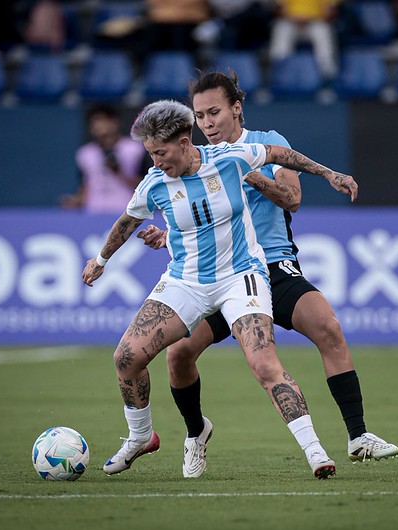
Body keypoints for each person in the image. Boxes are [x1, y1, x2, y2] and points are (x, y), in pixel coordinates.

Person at [136, 72, 398, 479]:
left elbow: (292, 200)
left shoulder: (264, 142)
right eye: (200, 115)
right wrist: (166, 237)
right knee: (178, 354)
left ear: (236, 108)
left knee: (328, 328)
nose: (206, 122)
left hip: (274, 266)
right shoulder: (189, 162)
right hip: (222, 276)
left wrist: (244, 171)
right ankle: (195, 434)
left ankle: (358, 437)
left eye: (214, 112)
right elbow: (198, 227)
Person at [82, 98, 359, 479]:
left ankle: (315, 452)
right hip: (185, 281)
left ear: (184, 141)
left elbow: (282, 153)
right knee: (126, 358)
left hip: (240, 276)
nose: (156, 161)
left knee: (264, 364)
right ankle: (141, 436)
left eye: (161, 152)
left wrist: (329, 174)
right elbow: (126, 222)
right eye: (150, 153)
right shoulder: (154, 183)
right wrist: (100, 260)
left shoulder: (229, 158)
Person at [60, 105, 147, 214]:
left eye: (103, 121)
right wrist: (75, 201)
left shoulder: (135, 149)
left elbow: (145, 185)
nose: (98, 126)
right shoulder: (85, 153)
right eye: (94, 122)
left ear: (114, 123)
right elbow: (85, 185)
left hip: (125, 210)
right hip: (93, 211)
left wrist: (118, 171)